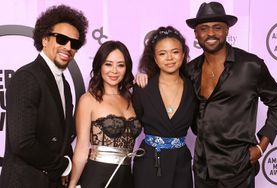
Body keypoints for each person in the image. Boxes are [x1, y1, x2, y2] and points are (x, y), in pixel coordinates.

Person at [185, 2, 277, 187]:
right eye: (204, 28)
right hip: (202, 168)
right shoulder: (190, 70)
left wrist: (261, 148)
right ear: (196, 34)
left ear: (227, 30)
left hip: (238, 168)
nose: (210, 34)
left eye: (217, 27)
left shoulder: (250, 65)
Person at [0, 5, 88, 188]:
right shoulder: (27, 77)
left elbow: (62, 137)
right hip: (25, 182)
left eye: (75, 43)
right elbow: (22, 143)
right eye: (62, 39)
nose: (68, 47)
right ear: (45, 39)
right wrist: (63, 166)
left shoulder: (64, 84)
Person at [68, 40, 142, 188]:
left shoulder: (133, 98)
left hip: (126, 176)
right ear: (99, 66)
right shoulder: (88, 99)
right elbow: (82, 148)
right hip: (97, 176)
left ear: (126, 68)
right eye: (108, 64)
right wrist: (72, 184)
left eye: (120, 65)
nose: (114, 71)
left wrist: (144, 76)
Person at [132, 26, 198, 188]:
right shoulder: (143, 87)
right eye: (162, 53)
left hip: (181, 164)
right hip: (149, 163)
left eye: (175, 52)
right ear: (154, 58)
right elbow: (136, 122)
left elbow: (198, 126)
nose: (169, 58)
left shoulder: (194, 88)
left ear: (183, 54)